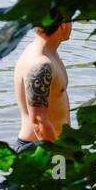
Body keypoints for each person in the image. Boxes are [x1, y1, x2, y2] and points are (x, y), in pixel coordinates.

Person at [13, 15, 73, 150]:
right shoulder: (40, 64)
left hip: (49, 145)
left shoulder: (47, 52)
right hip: (40, 149)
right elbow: (39, 122)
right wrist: (61, 156)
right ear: (63, 25)